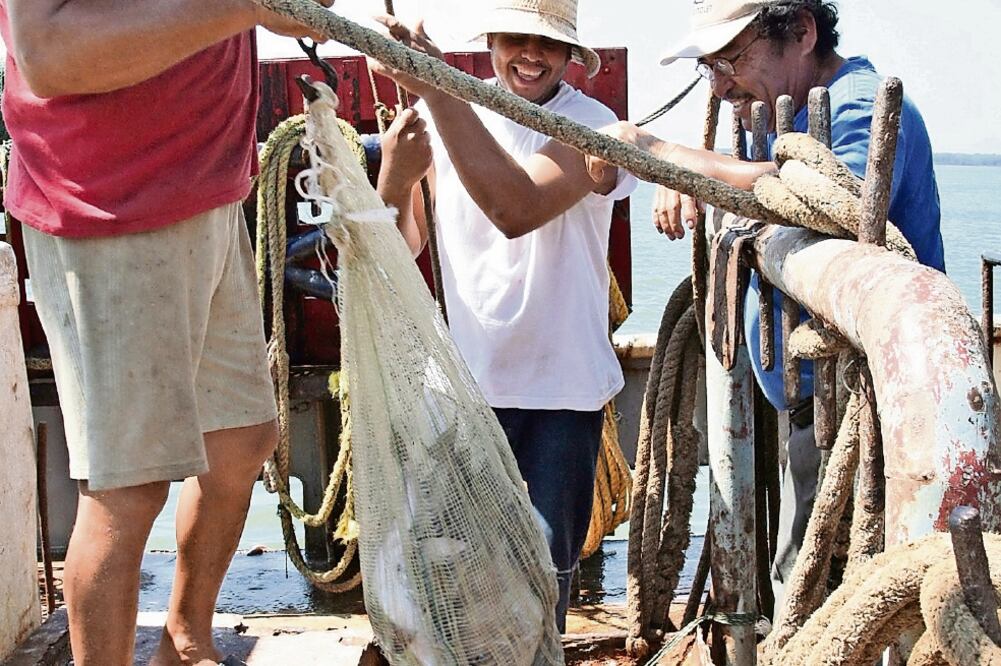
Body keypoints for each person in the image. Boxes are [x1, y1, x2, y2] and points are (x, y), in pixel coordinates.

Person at [1, 2, 331, 664]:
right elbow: (50, 56)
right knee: (127, 490)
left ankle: (184, 642)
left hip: (206, 192)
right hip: (109, 206)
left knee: (240, 440)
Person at [589, 0, 944, 610]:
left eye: (733, 58)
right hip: (807, 400)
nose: (721, 84)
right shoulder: (784, 114)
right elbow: (768, 185)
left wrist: (666, 157)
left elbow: (828, 197)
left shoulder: (858, 105)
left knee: (823, 594)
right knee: (797, 572)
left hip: (859, 405)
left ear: (803, 31)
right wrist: (702, 181)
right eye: (710, 66)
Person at [370, 0, 637, 631]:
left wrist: (435, 87)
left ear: (572, 55)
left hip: (562, 394)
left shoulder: (593, 126)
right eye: (516, 37)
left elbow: (515, 208)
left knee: (545, 579)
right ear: (490, 39)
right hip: (464, 392)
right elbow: (397, 248)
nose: (531, 54)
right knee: (445, 575)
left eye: (549, 43)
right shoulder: (445, 115)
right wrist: (394, 175)